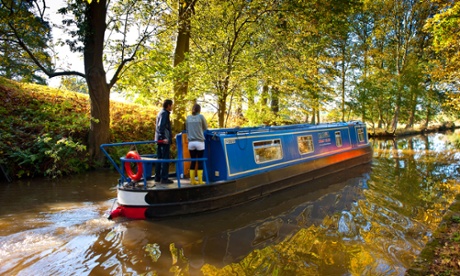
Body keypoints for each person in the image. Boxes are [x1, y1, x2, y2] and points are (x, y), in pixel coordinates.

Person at [185, 103, 208, 185]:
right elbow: (206, 127)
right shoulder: (201, 117)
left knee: (193, 161)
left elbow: (187, 129)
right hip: (199, 142)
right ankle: (200, 180)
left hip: (191, 143)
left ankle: (192, 181)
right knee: (200, 161)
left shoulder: (188, 118)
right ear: (199, 110)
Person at [154, 99, 173, 184]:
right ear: (168, 105)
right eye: (171, 105)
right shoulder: (164, 113)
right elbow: (161, 126)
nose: (172, 107)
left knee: (159, 158)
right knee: (165, 158)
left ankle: (157, 177)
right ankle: (164, 178)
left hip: (159, 139)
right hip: (163, 140)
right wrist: (163, 137)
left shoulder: (160, 113)